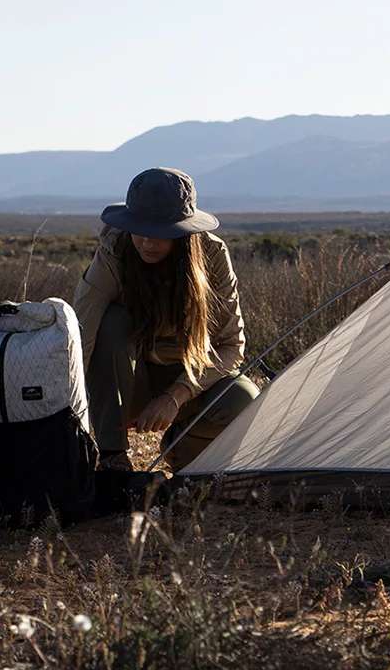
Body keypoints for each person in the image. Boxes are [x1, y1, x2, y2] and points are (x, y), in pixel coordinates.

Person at [73, 167, 258, 471]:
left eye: (159, 233)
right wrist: (71, 413)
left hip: (191, 382)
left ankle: (182, 449)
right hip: (128, 387)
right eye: (139, 230)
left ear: (182, 232)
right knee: (113, 321)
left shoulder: (211, 255)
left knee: (244, 400)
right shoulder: (113, 254)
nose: (147, 242)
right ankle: (113, 458)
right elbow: (81, 337)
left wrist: (175, 396)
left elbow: (231, 347)